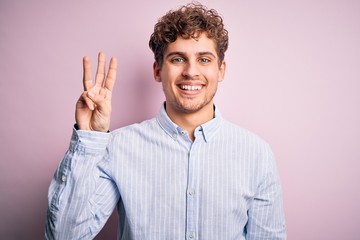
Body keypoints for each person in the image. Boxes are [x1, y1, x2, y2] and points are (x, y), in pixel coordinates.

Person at [45, 3, 286, 239]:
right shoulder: (117, 146)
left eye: (204, 59)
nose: (191, 71)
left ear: (221, 70)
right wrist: (90, 139)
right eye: (178, 59)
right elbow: (65, 235)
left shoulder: (256, 154)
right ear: (158, 70)